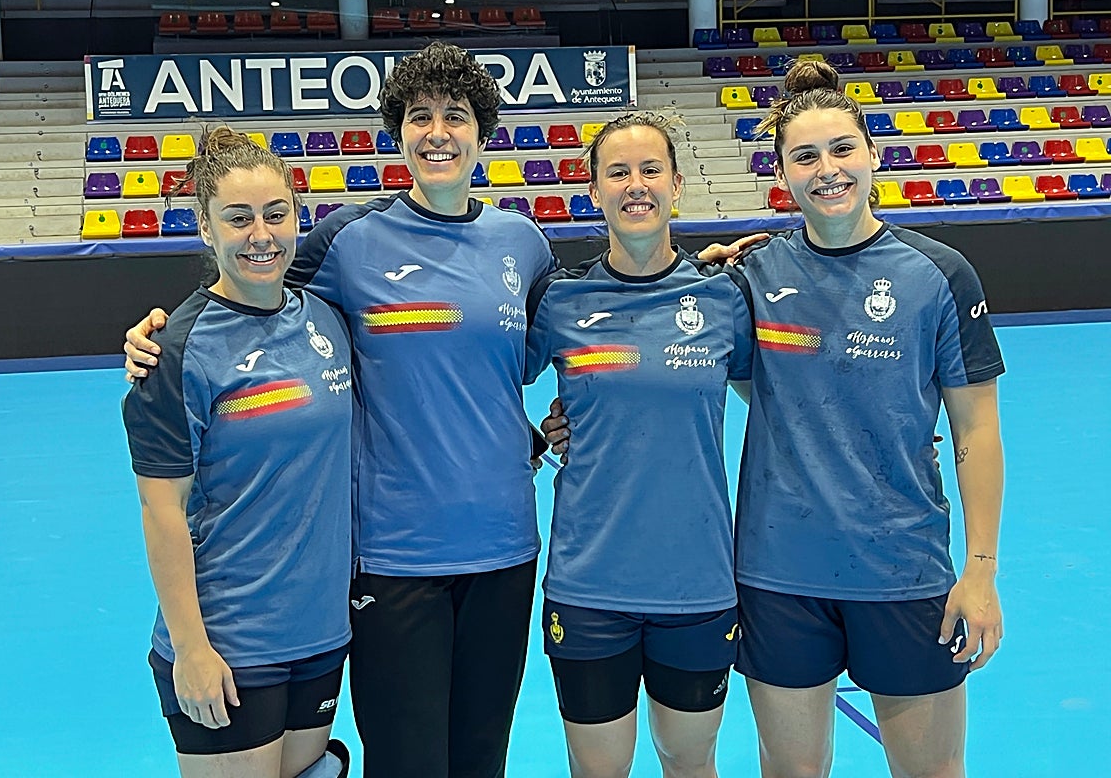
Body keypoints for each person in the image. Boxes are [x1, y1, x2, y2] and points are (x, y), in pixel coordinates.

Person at [547, 60, 1006, 778]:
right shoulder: (751, 278)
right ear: (782, 174)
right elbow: (691, 349)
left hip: (905, 569)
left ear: (873, 154)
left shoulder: (939, 274)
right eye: (805, 157)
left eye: (841, 150)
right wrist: (579, 416)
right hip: (776, 575)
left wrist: (979, 572)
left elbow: (977, 434)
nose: (827, 170)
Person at [125, 41, 555, 778]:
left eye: (456, 116)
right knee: (407, 762)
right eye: (420, 117)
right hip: (391, 557)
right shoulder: (348, 241)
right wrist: (155, 333)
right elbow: (247, 284)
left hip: (505, 548)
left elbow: (568, 342)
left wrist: (557, 425)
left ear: (484, 134)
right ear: (398, 134)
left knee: (483, 759)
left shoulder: (525, 243)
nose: (438, 132)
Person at [524, 111, 753, 778]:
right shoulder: (562, 301)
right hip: (591, 585)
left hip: (698, 583)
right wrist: (538, 436)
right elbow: (480, 382)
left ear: (676, 184)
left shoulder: (723, 296)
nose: (636, 184)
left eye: (650, 169)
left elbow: (785, 399)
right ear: (594, 191)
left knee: (690, 764)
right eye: (617, 172)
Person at [121, 126, 352, 778]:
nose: (261, 234)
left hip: (319, 637)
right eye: (239, 217)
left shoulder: (325, 317)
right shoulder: (174, 351)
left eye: (277, 215)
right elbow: (162, 511)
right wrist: (191, 648)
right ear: (204, 227)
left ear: (298, 218)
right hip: (228, 643)